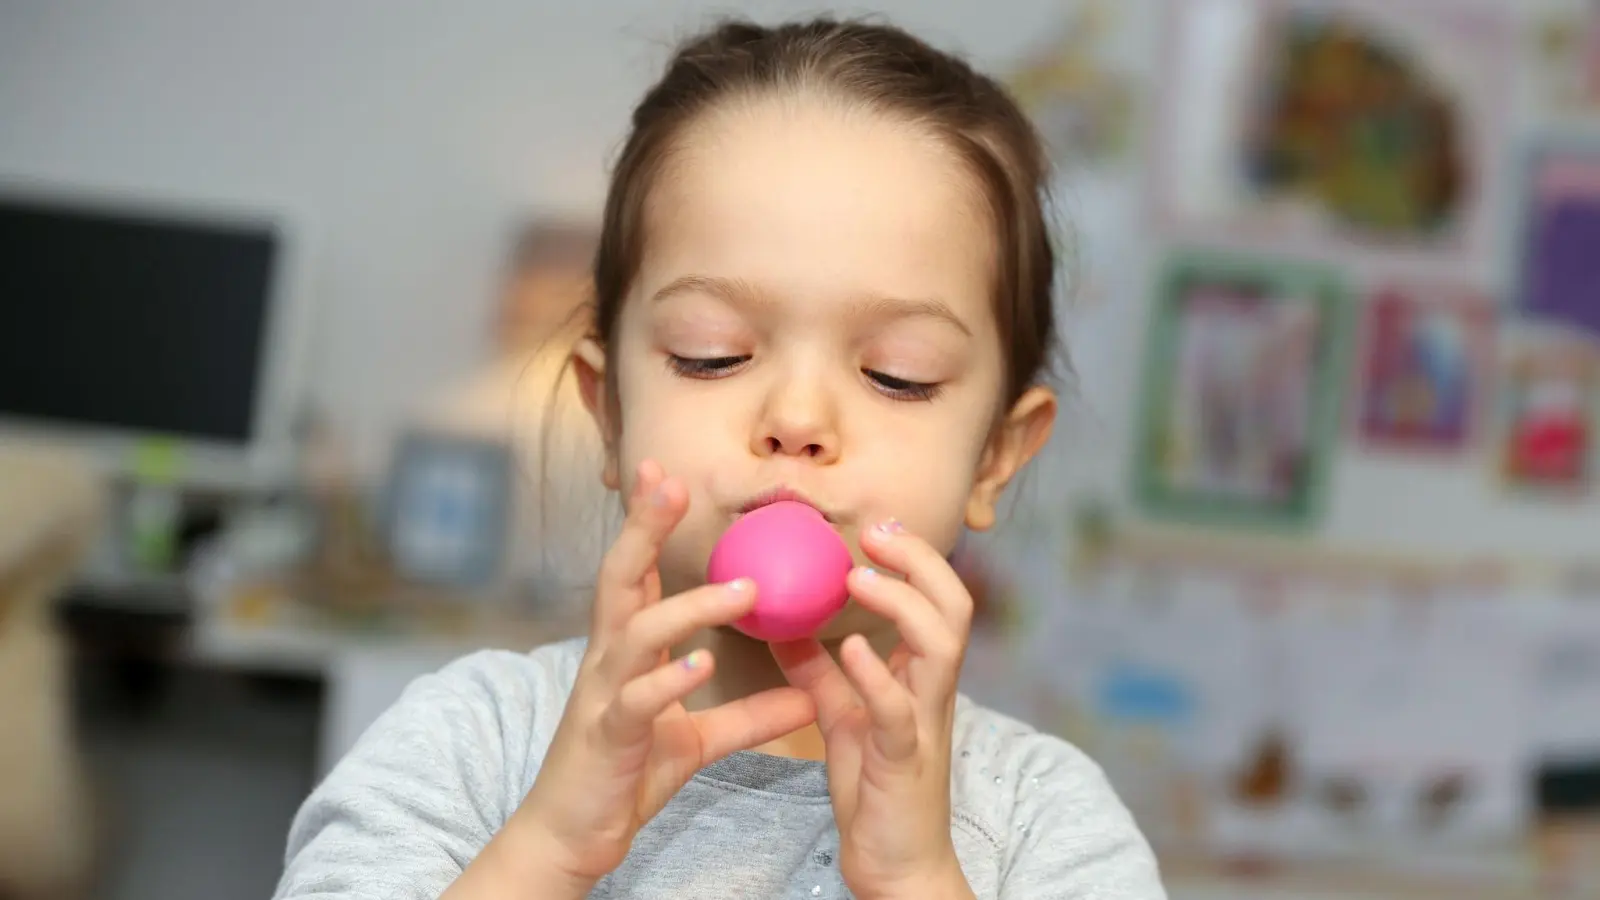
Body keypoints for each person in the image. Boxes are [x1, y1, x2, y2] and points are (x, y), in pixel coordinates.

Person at [275, 17, 1164, 900]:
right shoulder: (471, 740)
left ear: (993, 461)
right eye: (713, 354)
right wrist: (544, 851)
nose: (796, 418)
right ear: (612, 414)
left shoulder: (1046, 821)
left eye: (899, 375)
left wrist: (917, 879)